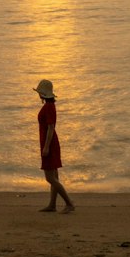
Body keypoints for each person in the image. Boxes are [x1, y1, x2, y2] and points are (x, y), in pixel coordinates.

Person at [34, 78, 74, 213]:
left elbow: (51, 127)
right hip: (49, 142)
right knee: (54, 177)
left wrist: (46, 147)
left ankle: (69, 203)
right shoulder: (48, 106)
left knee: (50, 178)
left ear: (43, 94)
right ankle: (52, 205)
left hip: (49, 143)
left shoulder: (49, 107)